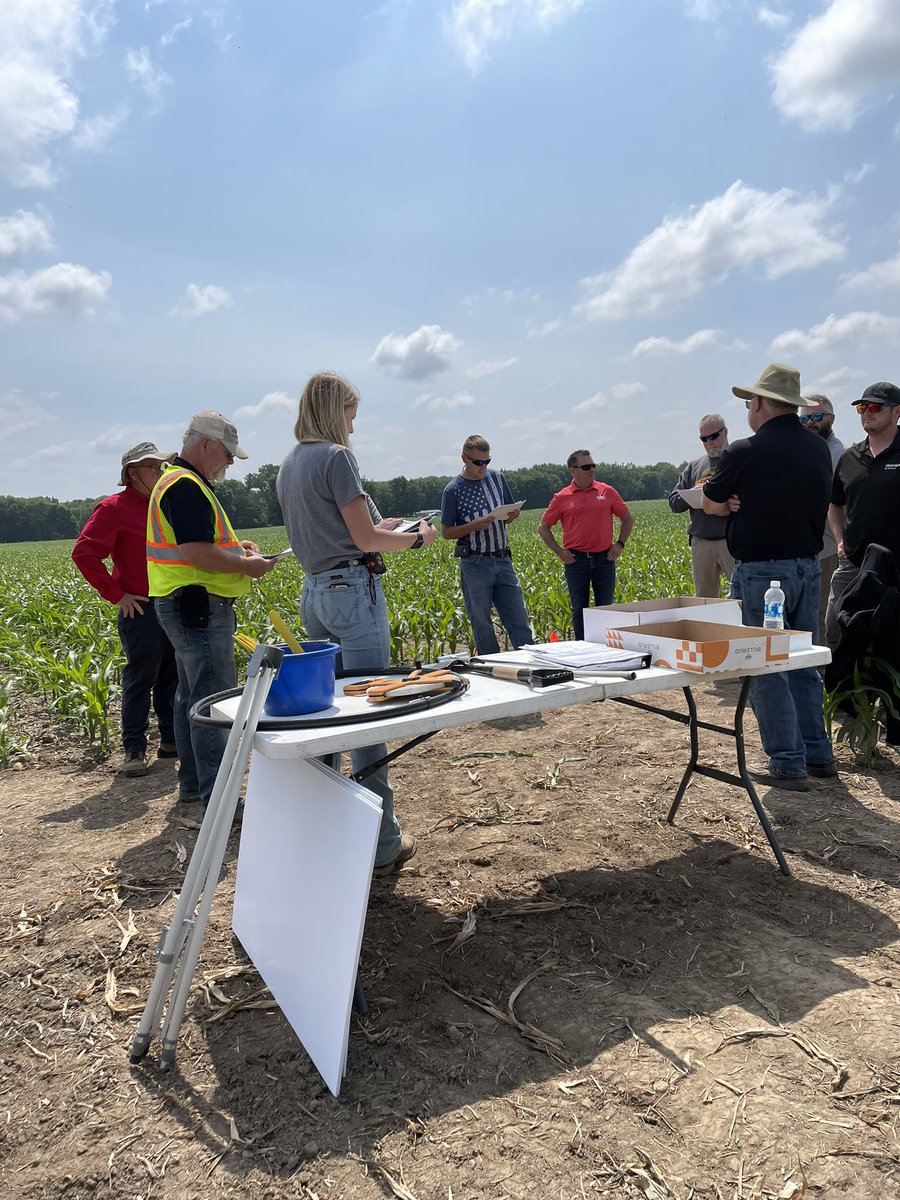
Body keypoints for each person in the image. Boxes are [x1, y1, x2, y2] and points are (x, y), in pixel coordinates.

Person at [277, 371, 437, 875]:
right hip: (353, 593)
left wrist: (379, 528)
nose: (354, 424)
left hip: (313, 594)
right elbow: (365, 541)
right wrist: (415, 538)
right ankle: (383, 844)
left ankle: (330, 833)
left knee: (326, 717)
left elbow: (352, 531)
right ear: (333, 411)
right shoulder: (336, 457)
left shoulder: (289, 463)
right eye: (351, 412)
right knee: (371, 713)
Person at [702, 363, 835, 791]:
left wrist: (727, 505)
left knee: (763, 666)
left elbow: (709, 502)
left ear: (758, 403)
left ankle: (786, 763)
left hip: (762, 573)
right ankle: (818, 754)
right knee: (802, 661)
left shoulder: (746, 451)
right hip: (807, 566)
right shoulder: (817, 448)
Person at [148, 411, 277, 810]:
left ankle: (194, 787)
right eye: (228, 454)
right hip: (199, 609)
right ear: (206, 444)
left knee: (191, 700)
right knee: (213, 705)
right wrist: (247, 565)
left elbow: (198, 545)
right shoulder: (186, 486)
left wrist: (239, 550)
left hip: (183, 607)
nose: (230, 464)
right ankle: (217, 802)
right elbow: (196, 552)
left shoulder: (175, 481)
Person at [72, 442, 178, 778]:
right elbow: (84, 554)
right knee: (140, 677)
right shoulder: (112, 508)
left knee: (170, 675)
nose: (161, 472)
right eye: (153, 467)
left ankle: (170, 742)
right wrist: (118, 596)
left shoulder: (165, 504)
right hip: (141, 608)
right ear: (132, 474)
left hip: (171, 602)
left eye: (163, 466)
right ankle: (134, 749)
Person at [825, 384, 900, 731]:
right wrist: (840, 540)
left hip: (895, 567)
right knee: (836, 628)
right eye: (862, 408)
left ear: (896, 411)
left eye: (876, 407)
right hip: (853, 564)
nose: (868, 412)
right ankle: (845, 706)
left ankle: (890, 713)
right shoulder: (849, 457)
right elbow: (835, 504)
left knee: (891, 639)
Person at [440, 435, 533, 655]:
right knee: (482, 623)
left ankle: (531, 664)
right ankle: (492, 669)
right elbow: (446, 532)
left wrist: (512, 515)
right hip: (475, 562)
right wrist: (473, 525)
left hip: (502, 558)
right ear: (464, 458)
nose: (483, 467)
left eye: (487, 461)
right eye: (477, 462)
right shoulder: (453, 490)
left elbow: (507, 518)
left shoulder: (497, 479)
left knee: (518, 617)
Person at [538, 451, 634, 640]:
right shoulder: (562, 497)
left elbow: (627, 518)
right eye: (586, 467)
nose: (592, 470)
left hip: (604, 559)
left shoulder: (607, 491)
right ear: (573, 470)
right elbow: (543, 528)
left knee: (605, 609)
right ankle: (583, 648)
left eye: (593, 465)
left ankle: (605, 648)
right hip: (576, 561)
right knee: (579, 610)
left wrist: (620, 544)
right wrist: (559, 552)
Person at [668, 414, 734, 598]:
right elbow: (674, 502)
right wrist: (694, 493)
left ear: (725, 432)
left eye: (713, 436)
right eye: (704, 439)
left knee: (741, 594)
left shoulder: (738, 459)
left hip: (732, 540)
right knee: (704, 599)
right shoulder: (694, 467)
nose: (709, 442)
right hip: (702, 541)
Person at [799, 394, 844, 640]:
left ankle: (822, 669)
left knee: (821, 611)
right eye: (804, 417)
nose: (810, 423)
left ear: (831, 419)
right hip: (809, 545)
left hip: (826, 545)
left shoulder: (836, 453)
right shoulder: (809, 449)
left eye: (816, 417)